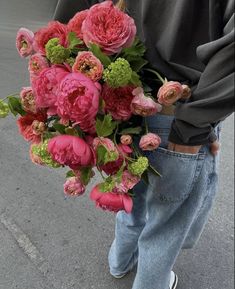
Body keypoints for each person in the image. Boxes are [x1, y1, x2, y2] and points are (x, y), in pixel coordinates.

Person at [54, 0, 234, 288]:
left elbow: (67, 25)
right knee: (165, 225)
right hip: (178, 115)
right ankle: (151, 281)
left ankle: (119, 261)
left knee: (132, 199)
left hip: (121, 112)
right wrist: (195, 124)